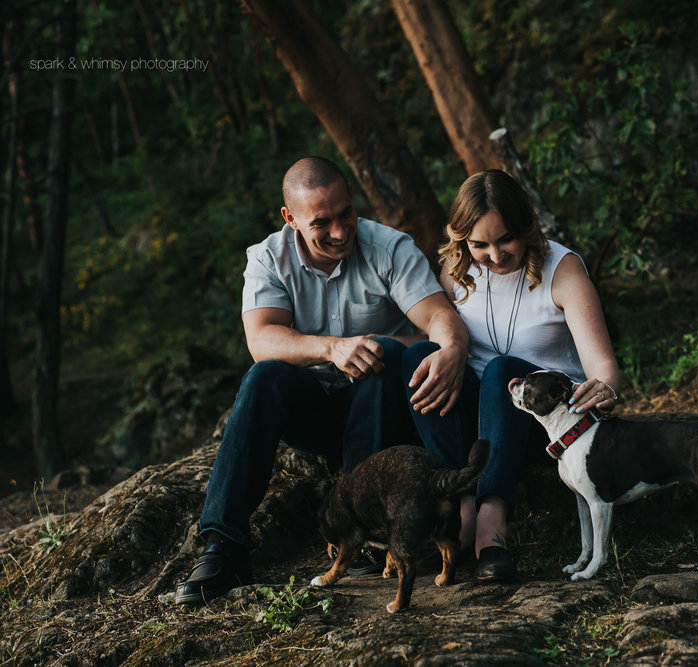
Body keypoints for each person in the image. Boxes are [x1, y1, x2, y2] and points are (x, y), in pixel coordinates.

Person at [175, 157, 472, 605]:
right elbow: (261, 339)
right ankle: (224, 545)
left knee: (386, 352)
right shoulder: (267, 258)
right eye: (322, 222)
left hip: (381, 410)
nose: (339, 231)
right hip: (316, 409)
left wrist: (452, 349)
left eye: (345, 214)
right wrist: (332, 347)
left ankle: (372, 533)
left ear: (352, 197)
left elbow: (438, 316)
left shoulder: (389, 247)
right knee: (264, 376)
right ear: (290, 218)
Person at [436, 169, 622, 580]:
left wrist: (605, 387)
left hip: (548, 424)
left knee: (503, 370)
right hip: (479, 424)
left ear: (527, 227)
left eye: (506, 239)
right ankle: (457, 502)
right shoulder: (454, 271)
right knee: (422, 357)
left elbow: (603, 367)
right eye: (479, 244)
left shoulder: (563, 269)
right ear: (462, 239)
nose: (495, 256)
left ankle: (491, 522)